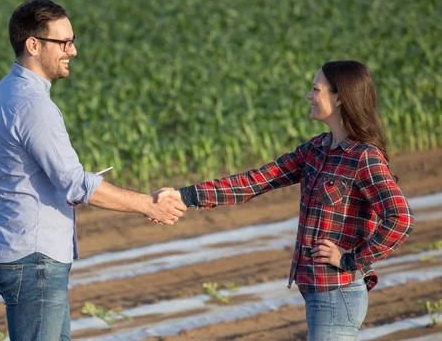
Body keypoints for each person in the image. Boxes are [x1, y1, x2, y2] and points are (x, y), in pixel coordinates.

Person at [0, 0, 187, 341]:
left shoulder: (8, 90)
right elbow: (75, 184)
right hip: (34, 259)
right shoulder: (33, 105)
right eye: (64, 42)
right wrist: (147, 205)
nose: (72, 51)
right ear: (33, 45)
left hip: (22, 252)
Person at [167, 60, 414, 340]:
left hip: (338, 292)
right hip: (318, 292)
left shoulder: (364, 157)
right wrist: (186, 196)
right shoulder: (316, 149)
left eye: (315, 89)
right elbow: (256, 180)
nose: (309, 96)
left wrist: (351, 259)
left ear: (340, 97)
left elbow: (400, 219)